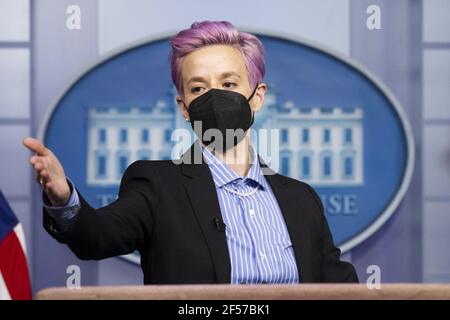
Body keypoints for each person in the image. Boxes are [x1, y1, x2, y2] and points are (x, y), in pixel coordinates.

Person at [23, 21, 358, 285]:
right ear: (184, 107)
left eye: (229, 84)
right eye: (199, 88)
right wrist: (62, 197)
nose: (215, 96)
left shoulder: (302, 199)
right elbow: (95, 237)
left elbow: (341, 289)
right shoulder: (157, 185)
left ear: (257, 97)